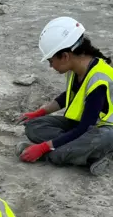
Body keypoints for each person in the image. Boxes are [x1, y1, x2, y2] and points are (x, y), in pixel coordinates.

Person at [17, 16, 113, 175]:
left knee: (63, 152)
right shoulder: (77, 69)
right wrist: (39, 113)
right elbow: (67, 97)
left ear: (65, 56)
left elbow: (85, 127)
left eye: (51, 60)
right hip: (80, 125)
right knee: (33, 127)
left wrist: (44, 147)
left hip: (104, 130)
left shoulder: (99, 79)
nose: (50, 66)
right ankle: (83, 152)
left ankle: (96, 153)